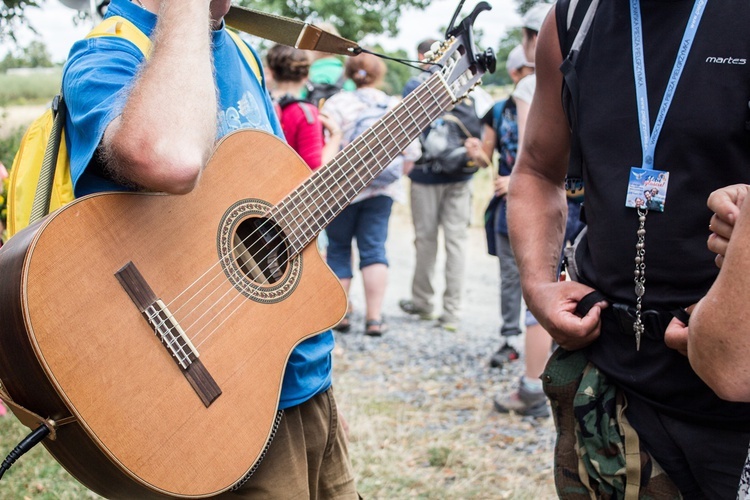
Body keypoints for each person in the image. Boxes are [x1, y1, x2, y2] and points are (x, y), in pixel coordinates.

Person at [61, 0, 358, 497]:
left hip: (300, 383)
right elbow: (170, 159)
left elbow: (276, 201)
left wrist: (320, 387)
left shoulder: (240, 46)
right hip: (218, 408)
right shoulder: (107, 50)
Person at [508, 0, 750, 497]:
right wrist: (536, 283)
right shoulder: (575, 17)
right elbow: (535, 168)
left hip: (733, 407)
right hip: (607, 382)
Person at [321, 52, 420, 336]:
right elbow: (411, 154)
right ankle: (374, 319)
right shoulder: (392, 105)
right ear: (380, 74)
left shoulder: (337, 104)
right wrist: (386, 178)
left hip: (340, 192)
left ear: (350, 73)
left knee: (338, 249)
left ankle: (339, 314)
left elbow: (325, 145)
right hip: (381, 192)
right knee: (374, 249)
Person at [398, 38, 485, 332]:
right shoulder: (470, 83)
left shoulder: (416, 84)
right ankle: (452, 312)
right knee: (457, 243)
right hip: (462, 174)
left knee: (426, 240)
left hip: (425, 176)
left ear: (424, 56)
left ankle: (423, 302)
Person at [467, 45, 534, 370]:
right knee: (510, 275)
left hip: (550, 204)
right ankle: (510, 338)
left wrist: (519, 182)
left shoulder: (560, 102)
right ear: (515, 74)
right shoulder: (498, 110)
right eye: (527, 72)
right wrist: (477, 151)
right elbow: (484, 159)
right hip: (508, 207)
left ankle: (547, 342)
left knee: (556, 272)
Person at [266, 43, 342, 170]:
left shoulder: (260, 104)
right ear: (306, 76)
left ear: (272, 73)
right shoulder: (305, 113)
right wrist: (336, 134)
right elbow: (314, 170)